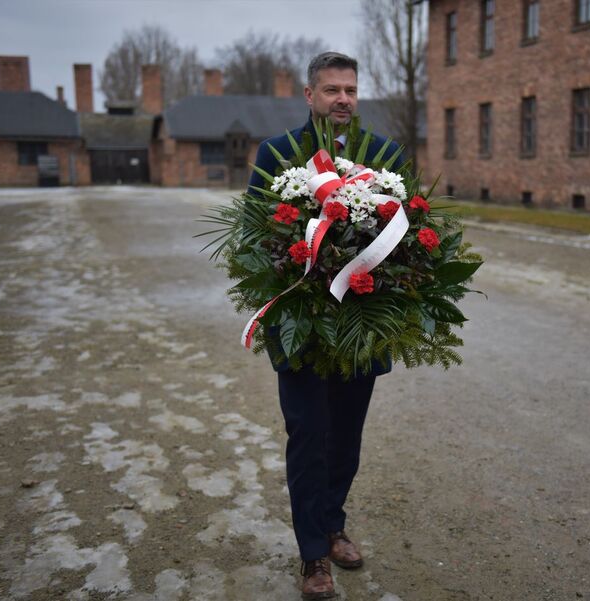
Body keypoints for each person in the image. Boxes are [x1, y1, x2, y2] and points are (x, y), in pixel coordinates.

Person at [247, 52, 404, 600]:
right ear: (309, 96)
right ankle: (313, 554)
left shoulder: (384, 156)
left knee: (345, 439)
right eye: (332, 89)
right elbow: (252, 238)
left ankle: (334, 525)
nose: (344, 99)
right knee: (308, 436)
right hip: (302, 324)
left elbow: (407, 241)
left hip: (362, 323)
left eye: (351, 90)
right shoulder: (277, 155)